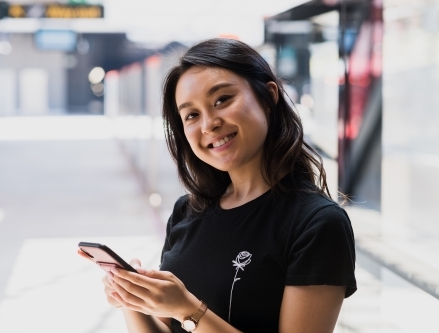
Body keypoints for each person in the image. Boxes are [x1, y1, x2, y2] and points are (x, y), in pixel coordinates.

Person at [83, 38, 357, 333]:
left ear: (268, 97)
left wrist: (188, 309)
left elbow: (185, 312)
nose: (208, 124)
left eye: (222, 100)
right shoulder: (188, 211)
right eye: (191, 115)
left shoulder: (317, 224)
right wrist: (131, 301)